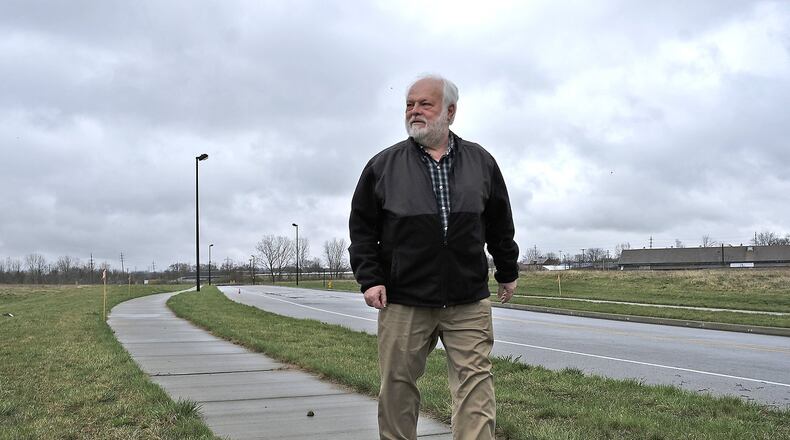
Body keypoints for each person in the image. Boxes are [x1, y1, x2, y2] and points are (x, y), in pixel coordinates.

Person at [348, 74, 519, 440]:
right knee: (397, 386)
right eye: (409, 105)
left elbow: (499, 223)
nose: (414, 111)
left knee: (475, 385)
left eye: (424, 104)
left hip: (467, 299)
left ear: (450, 111)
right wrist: (371, 277)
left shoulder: (481, 162)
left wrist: (507, 269)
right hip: (404, 299)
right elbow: (362, 230)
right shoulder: (383, 166)